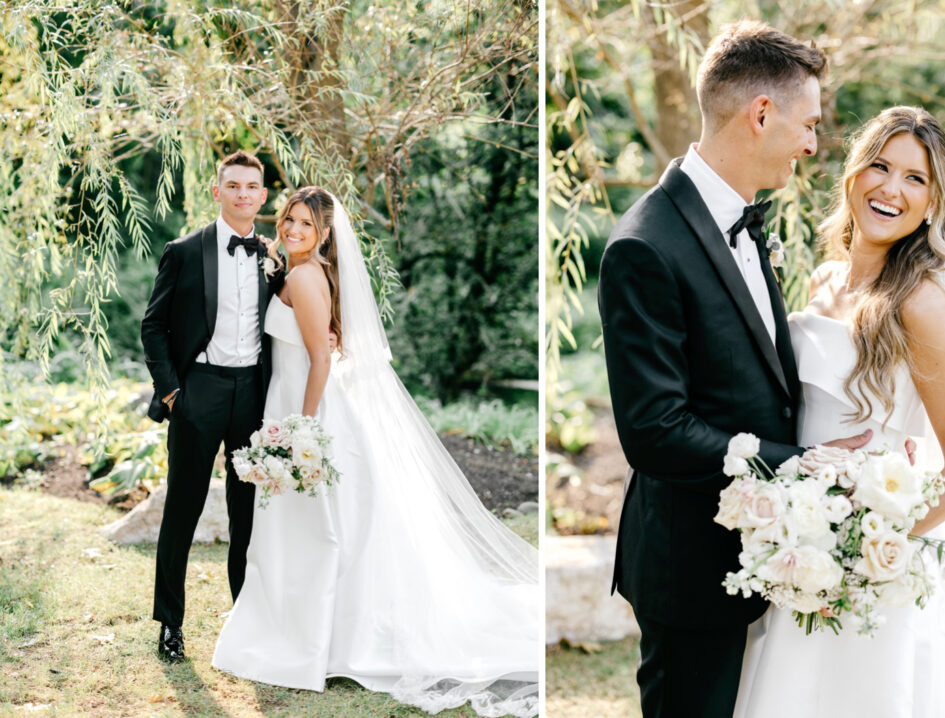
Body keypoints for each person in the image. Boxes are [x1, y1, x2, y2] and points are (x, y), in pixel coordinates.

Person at [598, 21, 875, 718]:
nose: (813, 145)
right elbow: (656, 432)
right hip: (692, 567)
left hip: (769, 553)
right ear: (760, 115)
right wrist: (806, 465)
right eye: (807, 125)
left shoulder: (748, 220)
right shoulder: (644, 245)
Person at [733, 106, 945, 718]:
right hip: (803, 545)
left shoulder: (921, 306)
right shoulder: (824, 281)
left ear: (933, 202)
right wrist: (800, 532)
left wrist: (864, 555)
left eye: (916, 179)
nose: (892, 189)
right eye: (881, 166)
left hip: (873, 574)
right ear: (853, 175)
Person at [211, 187, 539, 717]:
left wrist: (301, 431)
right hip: (296, 408)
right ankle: (308, 629)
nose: (293, 229)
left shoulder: (303, 276)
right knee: (314, 527)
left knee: (322, 528)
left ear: (324, 234)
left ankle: (326, 639)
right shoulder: (298, 269)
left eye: (306, 224)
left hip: (307, 413)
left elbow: (320, 358)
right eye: (290, 219)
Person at [141, 151, 283, 664]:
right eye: (234, 185)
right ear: (218, 190)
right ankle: (170, 626)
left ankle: (244, 622)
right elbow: (153, 325)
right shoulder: (183, 250)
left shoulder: (274, 256)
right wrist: (173, 390)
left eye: (253, 187)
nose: (244, 194)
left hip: (253, 396)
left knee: (248, 514)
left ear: (263, 196)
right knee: (183, 508)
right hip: (198, 390)